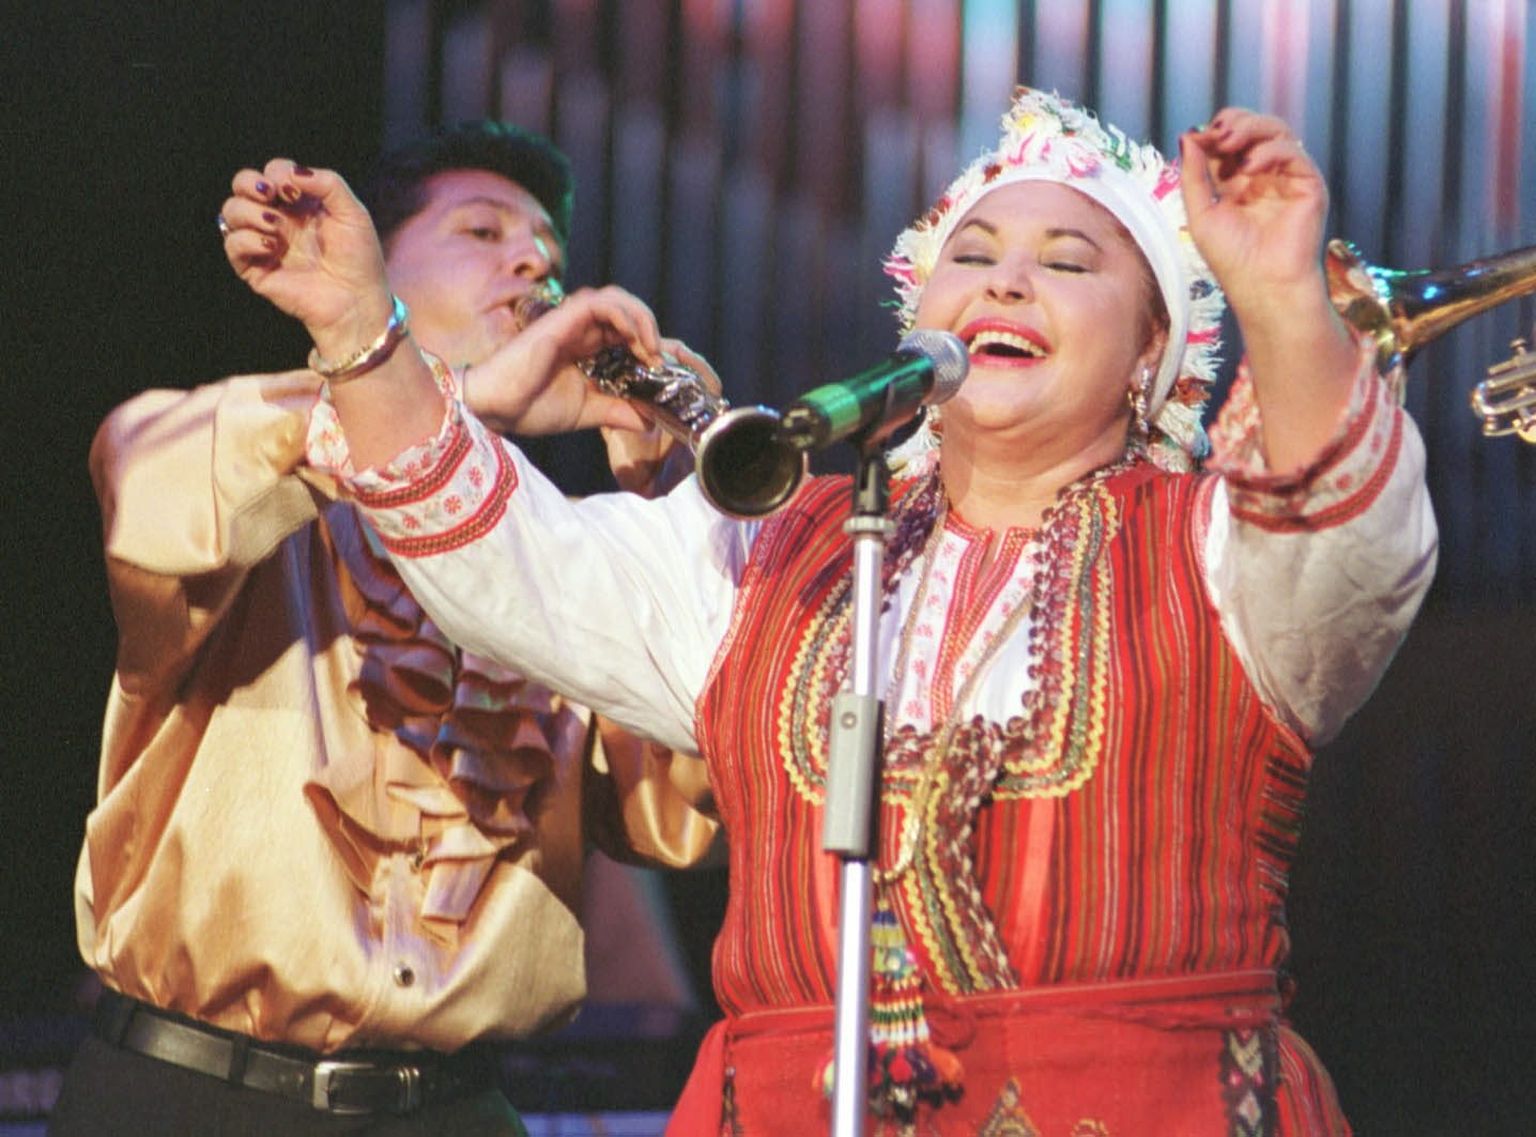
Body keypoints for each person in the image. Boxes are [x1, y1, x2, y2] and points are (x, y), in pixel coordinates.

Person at [222, 87, 1437, 1134]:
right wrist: (359, 329)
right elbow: (509, 560)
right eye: (974, 256)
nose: (1008, 279)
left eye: (1069, 264)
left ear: (1148, 356)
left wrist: (1279, 292)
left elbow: (1347, 535)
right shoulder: (773, 548)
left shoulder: (1218, 554)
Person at [50, 121, 718, 1137]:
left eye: (547, 252)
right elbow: (144, 475)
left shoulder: (565, 563)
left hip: (452, 1107)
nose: (533, 264)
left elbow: (674, 818)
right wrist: (441, 398)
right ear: (373, 271)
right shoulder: (250, 467)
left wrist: (679, 520)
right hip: (195, 1098)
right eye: (484, 231)